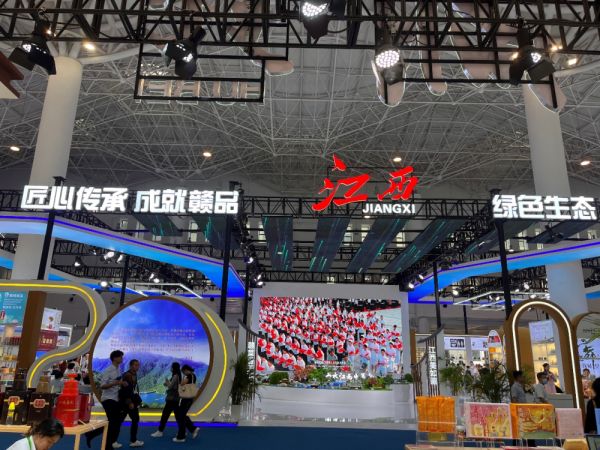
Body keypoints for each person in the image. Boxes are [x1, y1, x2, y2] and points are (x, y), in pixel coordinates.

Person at [86, 350, 128, 450]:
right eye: (120, 357)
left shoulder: (118, 369)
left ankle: (92, 434)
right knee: (113, 423)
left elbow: (117, 382)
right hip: (108, 399)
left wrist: (121, 383)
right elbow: (102, 385)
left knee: (114, 422)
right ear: (115, 358)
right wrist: (116, 383)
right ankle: (107, 446)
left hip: (115, 399)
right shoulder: (108, 370)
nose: (122, 358)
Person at [152, 363, 182, 438]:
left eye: (171, 367)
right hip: (175, 399)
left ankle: (160, 431)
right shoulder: (177, 376)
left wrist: (167, 381)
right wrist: (167, 383)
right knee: (178, 416)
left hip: (172, 399)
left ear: (174, 368)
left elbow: (170, 387)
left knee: (165, 415)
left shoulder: (175, 376)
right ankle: (183, 431)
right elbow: (173, 386)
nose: (170, 368)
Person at [119, 359, 144, 447]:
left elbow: (131, 390)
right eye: (135, 365)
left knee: (120, 420)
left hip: (127, 401)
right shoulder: (128, 375)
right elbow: (126, 390)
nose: (137, 367)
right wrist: (130, 402)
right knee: (134, 419)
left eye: (138, 365)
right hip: (127, 402)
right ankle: (133, 441)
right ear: (131, 366)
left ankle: (112, 440)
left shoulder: (133, 374)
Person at [173, 365, 200, 443]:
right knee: (182, 416)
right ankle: (193, 429)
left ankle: (181, 437)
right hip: (189, 399)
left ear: (186, 370)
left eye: (183, 372)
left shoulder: (189, 376)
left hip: (186, 399)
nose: (183, 373)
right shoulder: (193, 376)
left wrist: (180, 382)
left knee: (181, 417)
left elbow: (182, 383)